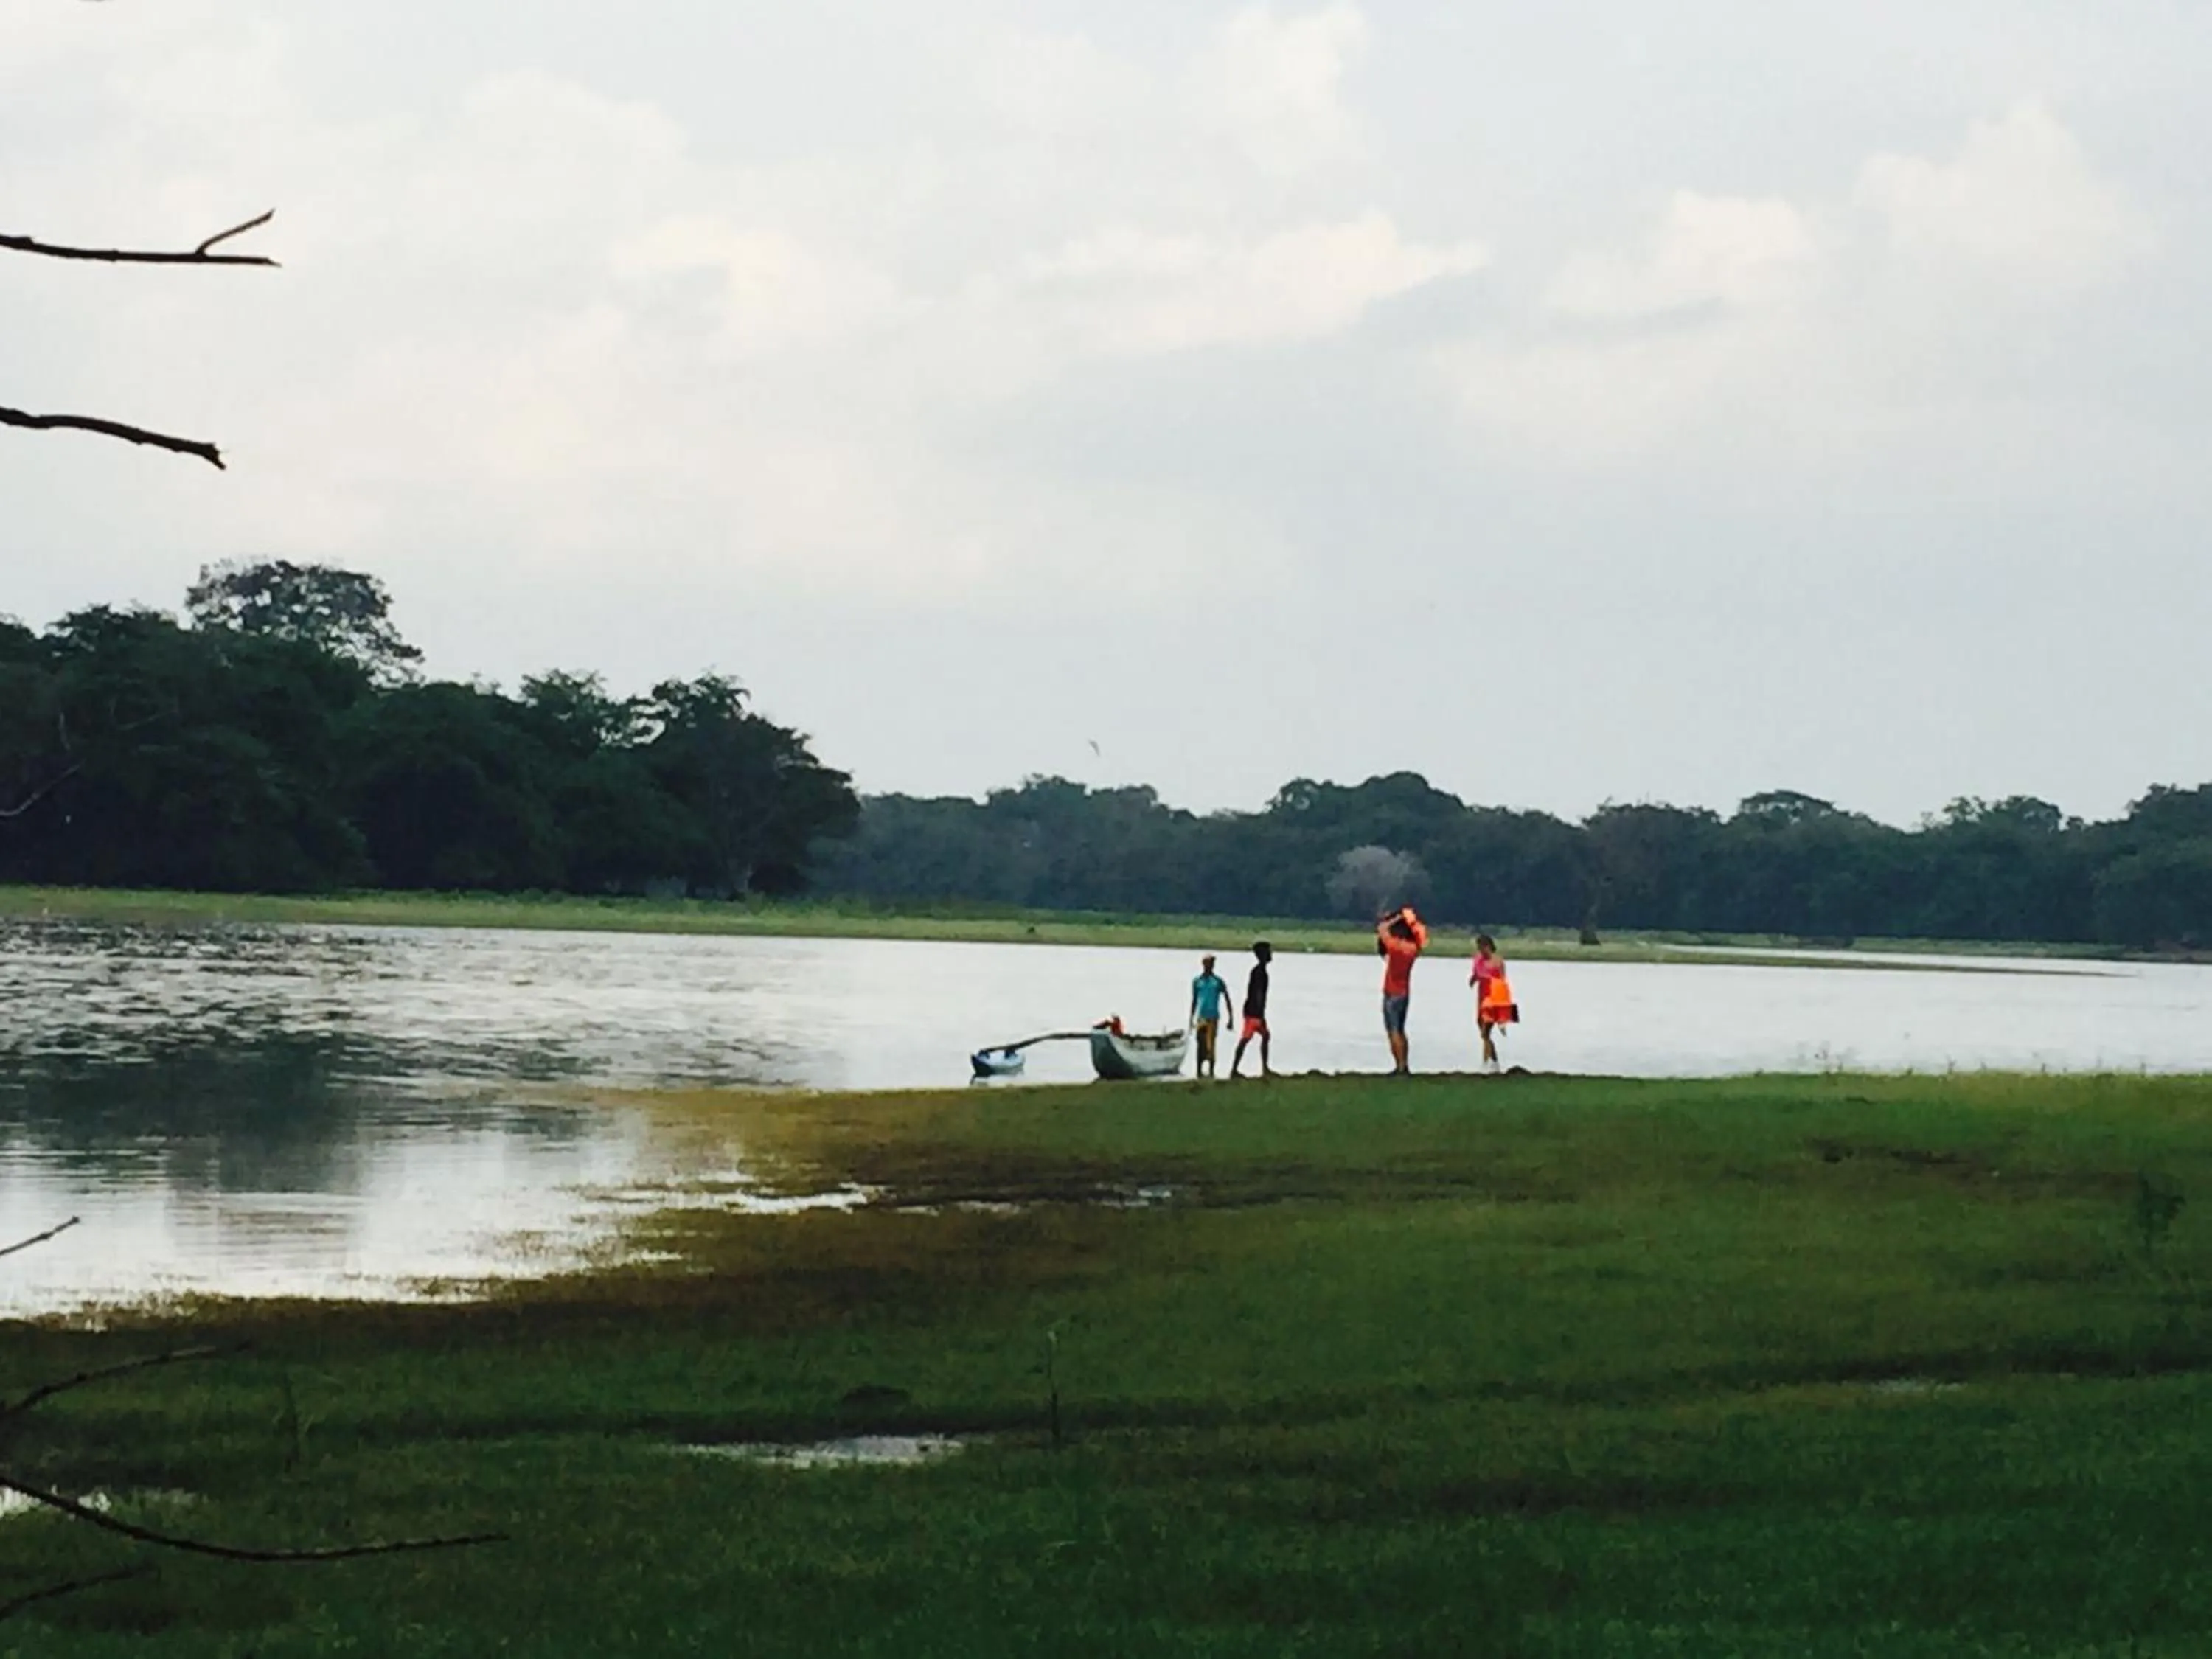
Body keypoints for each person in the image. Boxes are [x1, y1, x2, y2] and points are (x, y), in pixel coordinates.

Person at [1377, 907, 1428, 1074]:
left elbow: (1382, 929)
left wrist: (1395, 918)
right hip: (1404, 992)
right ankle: (1404, 1064)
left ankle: (1399, 1066)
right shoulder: (1412, 949)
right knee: (1401, 1029)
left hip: (1392, 992)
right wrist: (1409, 920)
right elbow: (1421, 934)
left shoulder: (1394, 946)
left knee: (1393, 1031)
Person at [1470, 933, 1518, 1071]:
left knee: (1485, 1031)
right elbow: (1476, 974)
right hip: (1482, 996)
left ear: (1488, 946)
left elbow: (1503, 981)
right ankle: (1491, 1062)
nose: (1480, 951)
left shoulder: (1498, 961)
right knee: (1483, 1031)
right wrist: (1473, 980)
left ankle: (1489, 1063)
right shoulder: (1478, 960)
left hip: (1493, 996)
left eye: (1481, 947)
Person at [1229, 941, 1274, 1078]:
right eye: (1268, 952)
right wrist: (1259, 1013)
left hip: (1255, 1011)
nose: (1271, 954)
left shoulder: (1259, 971)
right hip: (1254, 1012)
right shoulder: (1259, 972)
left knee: (1264, 1036)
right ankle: (1235, 1070)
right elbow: (1257, 993)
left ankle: (1264, 1068)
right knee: (1246, 1039)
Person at [1189, 953, 1232, 1078]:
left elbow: (1227, 999)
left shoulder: (1218, 982)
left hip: (1213, 1016)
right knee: (1200, 1042)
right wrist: (1191, 1018)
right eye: (1208, 963)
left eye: (1212, 963)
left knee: (1211, 1043)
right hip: (1201, 1016)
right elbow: (1194, 1000)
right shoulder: (1197, 981)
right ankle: (1199, 1071)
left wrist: (1230, 1018)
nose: (1210, 966)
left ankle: (1212, 1071)